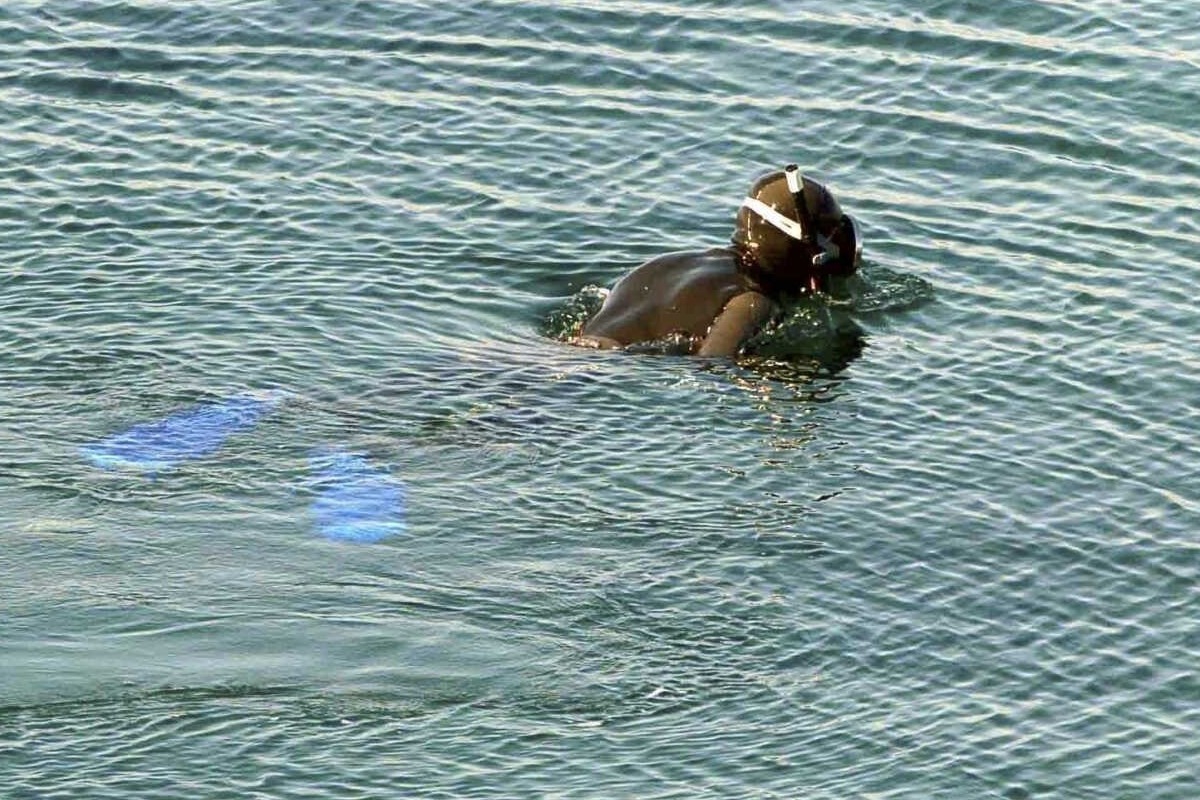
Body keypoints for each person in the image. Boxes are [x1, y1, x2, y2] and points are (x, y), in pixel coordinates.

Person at [572, 164, 862, 357]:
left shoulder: (673, 262)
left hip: (561, 355)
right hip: (596, 374)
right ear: (805, 249)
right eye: (833, 239)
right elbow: (711, 364)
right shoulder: (752, 302)